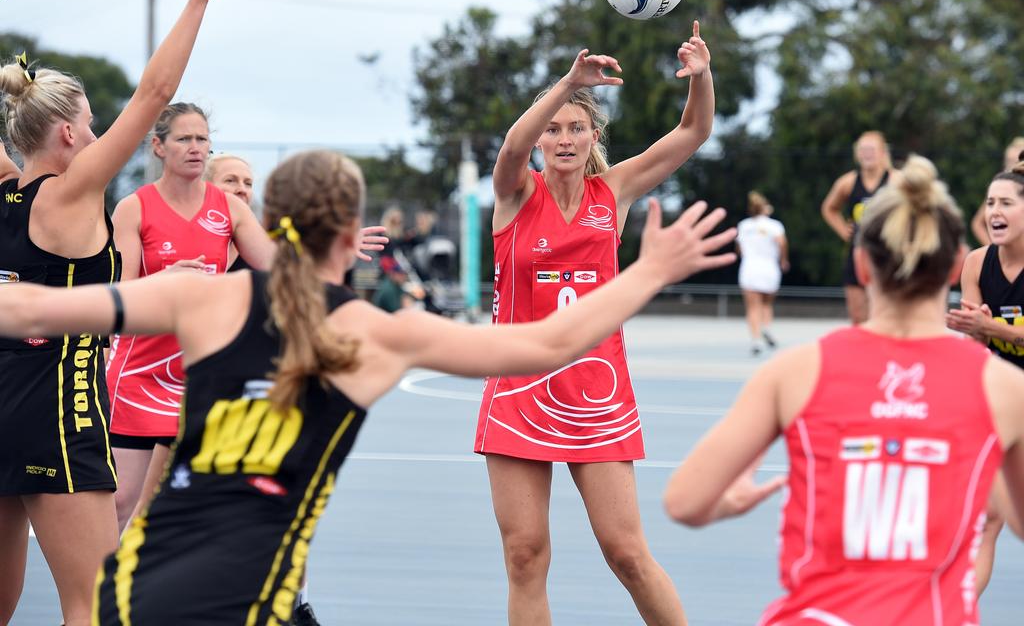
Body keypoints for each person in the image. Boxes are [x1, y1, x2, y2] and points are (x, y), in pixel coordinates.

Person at [0, 149, 736, 624]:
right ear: (354, 237)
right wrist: (650, 271)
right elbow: (549, 343)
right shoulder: (373, 334)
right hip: (248, 600)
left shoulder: (198, 296)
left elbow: (28, 304)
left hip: (135, 593)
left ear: (265, 222)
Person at [664, 155, 1024, 625]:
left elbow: (685, 502)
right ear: (958, 262)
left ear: (862, 264)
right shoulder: (1001, 387)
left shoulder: (796, 371)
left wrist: (729, 501)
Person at [0, 0, 229, 626]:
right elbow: (157, 91)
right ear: (68, 135)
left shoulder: (6, 191)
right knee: (94, 607)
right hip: (55, 414)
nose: (101, 138)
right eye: (94, 127)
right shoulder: (66, 197)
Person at [477, 21, 714, 626]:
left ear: (593, 136)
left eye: (576, 127)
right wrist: (567, 85)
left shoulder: (614, 191)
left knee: (627, 552)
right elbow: (508, 147)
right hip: (520, 388)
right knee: (525, 554)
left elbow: (693, 131)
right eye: (552, 128)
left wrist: (702, 78)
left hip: (596, 393)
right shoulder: (514, 192)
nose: (562, 137)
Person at [105, 103, 277, 532]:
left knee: (182, 505)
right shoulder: (134, 208)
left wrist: (333, 248)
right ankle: (93, 594)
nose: (196, 148)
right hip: (139, 373)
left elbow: (281, 270)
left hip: (198, 373)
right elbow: (118, 298)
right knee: (121, 500)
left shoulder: (230, 210)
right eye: (184, 139)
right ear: (158, 146)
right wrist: (165, 280)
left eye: (202, 139)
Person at [947, 157, 1024, 595]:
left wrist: (991, 328)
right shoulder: (977, 263)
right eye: (990, 202)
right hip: (1001, 402)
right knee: (987, 518)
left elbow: (987, 329)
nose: (995, 211)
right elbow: (975, 344)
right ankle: (956, 613)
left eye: (1007, 203)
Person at [821, 130, 893, 324]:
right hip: (858, 253)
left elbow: (919, 207)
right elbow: (829, 208)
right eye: (863, 149)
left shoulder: (897, 180)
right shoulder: (848, 182)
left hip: (888, 255)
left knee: (885, 316)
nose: (867, 153)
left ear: (883, 153)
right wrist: (844, 231)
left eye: (871, 149)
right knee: (859, 318)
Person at [736, 191, 788, 355]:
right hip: (769, 267)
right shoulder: (775, 226)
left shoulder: (744, 225)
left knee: (752, 307)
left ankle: (756, 339)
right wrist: (783, 260)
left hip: (750, 267)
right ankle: (766, 327)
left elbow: (739, 248)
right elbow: (782, 243)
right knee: (766, 304)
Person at [205, 152, 256, 271]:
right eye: (230, 180)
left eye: (248, 184)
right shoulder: (181, 241)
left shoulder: (260, 246)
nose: (242, 189)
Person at [970, 138, 1024, 245]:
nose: (1011, 166)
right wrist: (994, 249)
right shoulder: (999, 189)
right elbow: (977, 224)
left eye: (1015, 161)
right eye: (1008, 161)